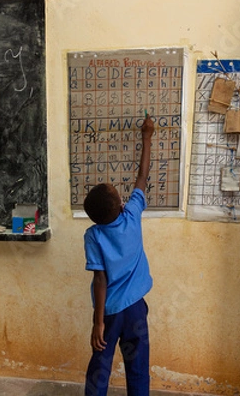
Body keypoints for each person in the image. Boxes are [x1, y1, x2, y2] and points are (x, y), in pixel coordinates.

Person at [83, 115, 155, 396]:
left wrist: (97, 322)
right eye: (115, 191)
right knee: (137, 366)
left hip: (110, 312)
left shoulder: (93, 235)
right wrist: (147, 137)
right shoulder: (132, 216)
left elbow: (100, 280)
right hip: (135, 308)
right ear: (121, 204)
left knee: (100, 365)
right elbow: (142, 175)